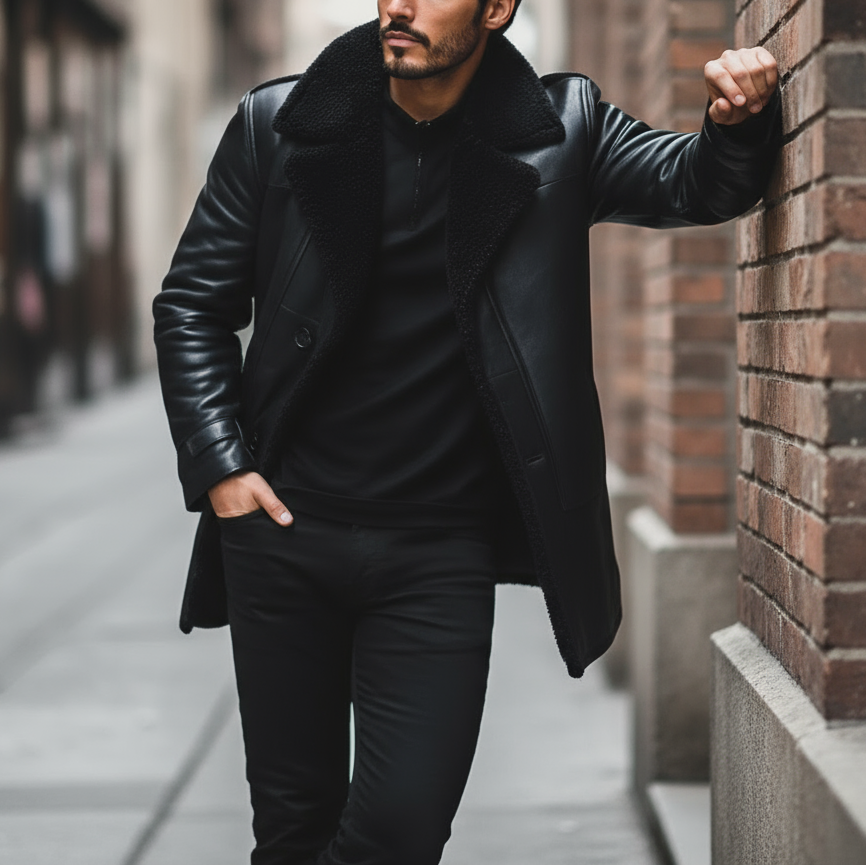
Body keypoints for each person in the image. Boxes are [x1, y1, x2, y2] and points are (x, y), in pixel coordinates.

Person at [153, 1, 781, 862]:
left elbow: (695, 183)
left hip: (438, 549)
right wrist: (222, 467)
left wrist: (736, 121)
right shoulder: (279, 124)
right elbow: (192, 305)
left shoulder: (561, 130)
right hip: (284, 532)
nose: (398, 5)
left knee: (401, 830)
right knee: (293, 827)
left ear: (496, 9)